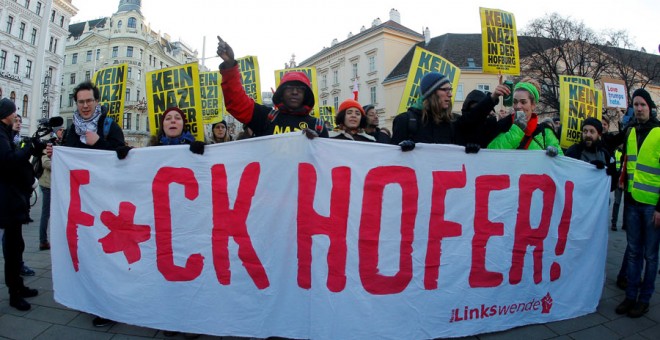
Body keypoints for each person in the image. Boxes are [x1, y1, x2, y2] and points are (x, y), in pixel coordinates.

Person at [47, 81, 127, 327]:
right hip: (82, 205)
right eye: (80, 102)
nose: (84, 106)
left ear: (96, 101)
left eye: (89, 101)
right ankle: (90, 297)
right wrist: (56, 154)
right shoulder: (72, 131)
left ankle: (108, 306)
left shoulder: (109, 126)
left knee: (106, 255)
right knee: (87, 253)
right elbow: (70, 161)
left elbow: (123, 156)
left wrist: (98, 144)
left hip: (107, 204)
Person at [216, 36, 328, 138]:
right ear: (281, 93)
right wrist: (230, 64)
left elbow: (329, 158)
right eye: (289, 88)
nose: (294, 92)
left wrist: (317, 143)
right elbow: (236, 103)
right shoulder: (265, 117)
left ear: (306, 95)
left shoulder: (318, 127)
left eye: (300, 89)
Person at [615, 88, 660, 318]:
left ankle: (644, 299)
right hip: (632, 202)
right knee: (633, 252)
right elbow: (626, 164)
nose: (639, 108)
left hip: (652, 206)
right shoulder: (630, 131)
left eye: (643, 104)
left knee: (650, 256)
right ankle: (630, 296)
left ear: (650, 107)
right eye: (636, 105)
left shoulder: (659, 132)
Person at [391, 72, 510, 152]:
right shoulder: (405, 121)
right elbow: (388, 161)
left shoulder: (453, 122)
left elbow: (474, 117)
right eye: (445, 90)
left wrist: (493, 97)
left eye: (450, 89)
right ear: (431, 93)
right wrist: (401, 152)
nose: (451, 94)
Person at [0, 98, 39, 311]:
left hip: (13, 199)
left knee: (17, 245)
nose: (16, 115)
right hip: (8, 201)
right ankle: (14, 293)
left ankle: (18, 285)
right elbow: (8, 161)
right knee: (13, 248)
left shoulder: (6, 133)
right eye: (14, 111)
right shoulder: (0, 134)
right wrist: (29, 149)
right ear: (6, 113)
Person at [487, 78, 563, 156]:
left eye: (523, 102)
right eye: (515, 102)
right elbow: (491, 153)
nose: (518, 106)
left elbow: (561, 161)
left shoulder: (545, 132)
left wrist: (555, 155)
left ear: (533, 105)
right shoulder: (503, 125)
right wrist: (516, 130)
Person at [565, 117, 616, 187]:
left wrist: (611, 172)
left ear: (599, 134)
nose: (588, 135)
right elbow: (564, 174)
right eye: (585, 131)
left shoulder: (605, 154)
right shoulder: (573, 151)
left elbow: (612, 186)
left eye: (592, 131)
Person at [37, 127, 64, 250]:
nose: (62, 132)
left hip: (55, 184)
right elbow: (45, 162)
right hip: (47, 184)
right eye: (60, 130)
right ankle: (43, 241)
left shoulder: (59, 144)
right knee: (46, 213)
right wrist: (60, 164)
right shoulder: (49, 144)